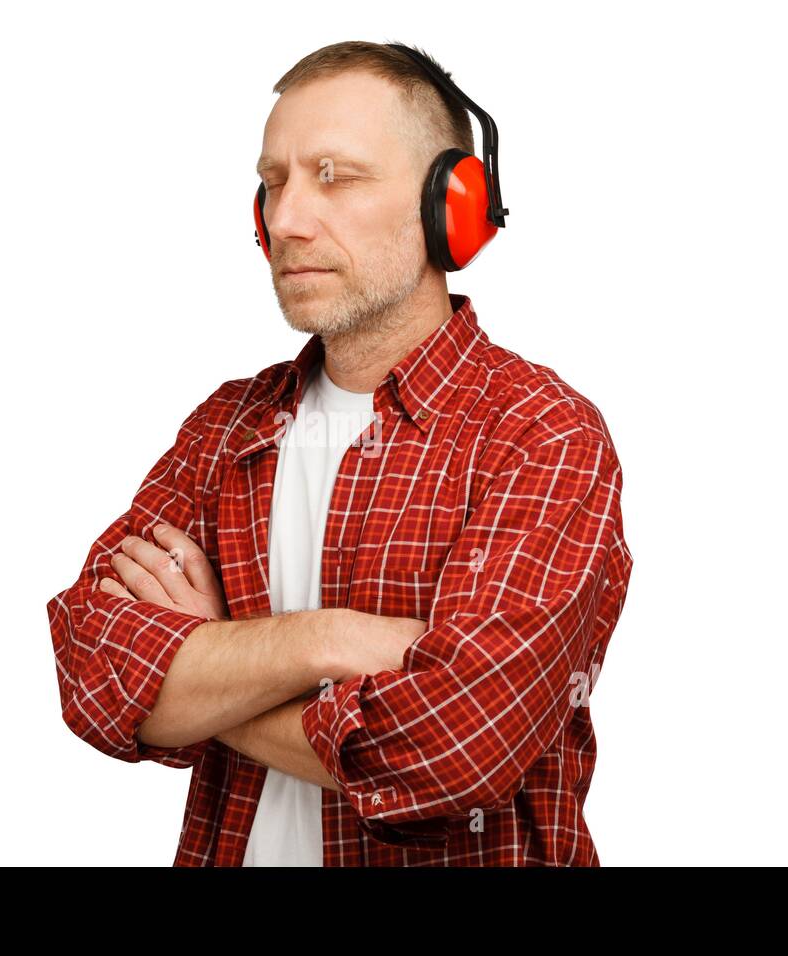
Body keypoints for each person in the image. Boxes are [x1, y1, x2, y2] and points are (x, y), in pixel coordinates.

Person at [45, 39, 633, 867]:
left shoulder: (541, 435)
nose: (285, 219)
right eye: (274, 181)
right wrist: (328, 639)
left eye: (335, 174)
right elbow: (95, 672)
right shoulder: (225, 426)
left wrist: (211, 669)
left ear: (451, 207)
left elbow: (452, 749)